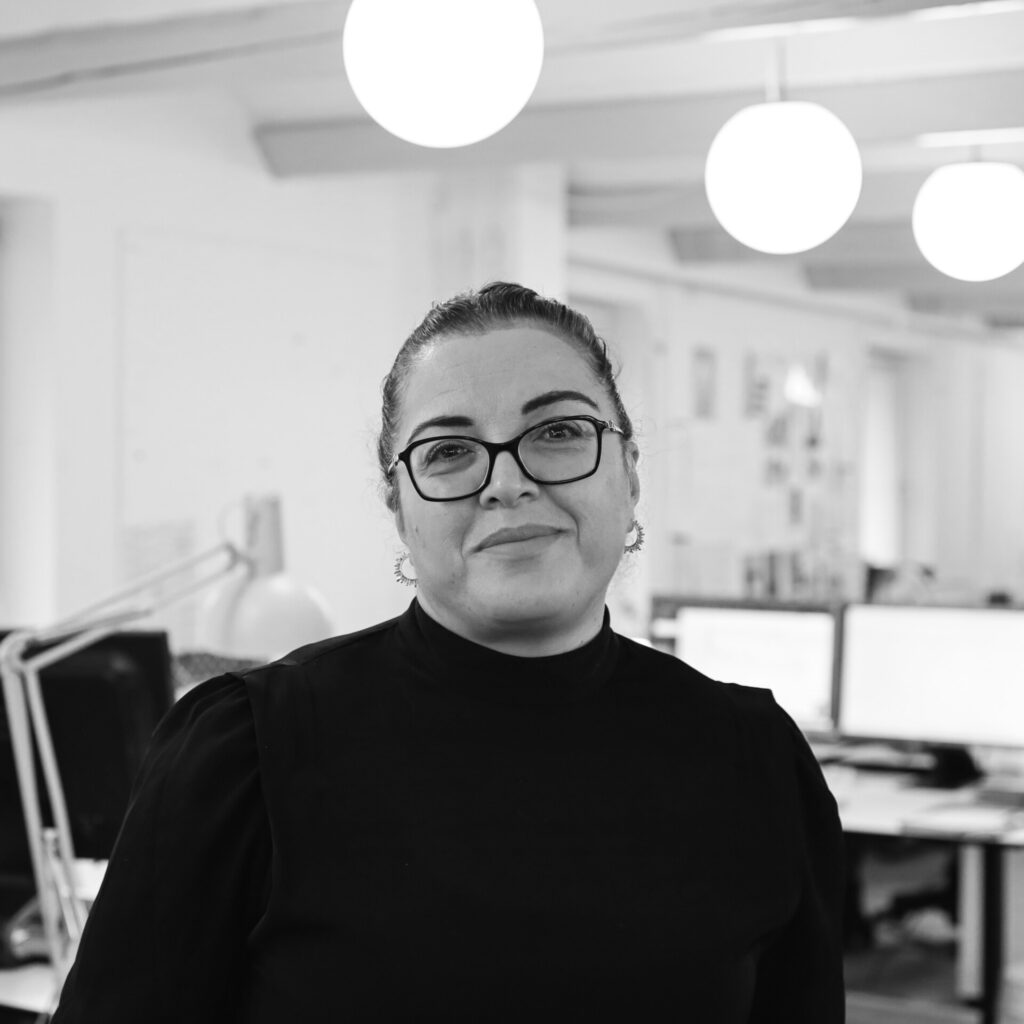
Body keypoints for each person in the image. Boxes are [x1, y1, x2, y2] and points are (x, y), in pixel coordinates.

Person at [53, 282, 845, 1022]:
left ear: (630, 473)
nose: (506, 483)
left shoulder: (753, 757)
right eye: (448, 451)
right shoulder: (247, 753)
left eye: (559, 433)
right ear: (399, 508)